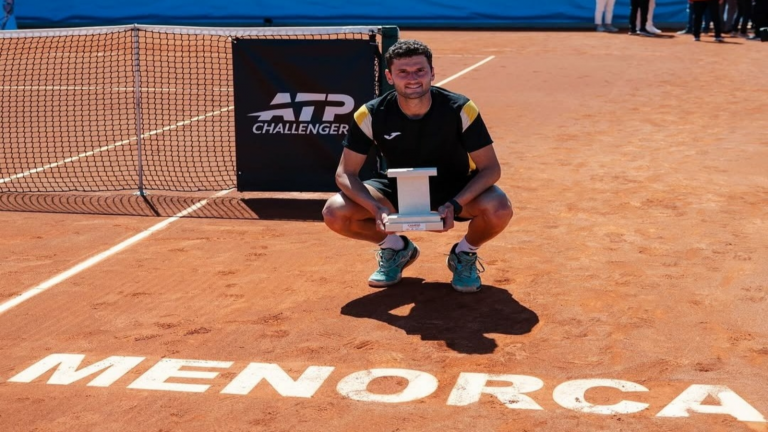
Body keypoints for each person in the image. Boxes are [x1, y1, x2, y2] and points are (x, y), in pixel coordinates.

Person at [322, 39, 513, 293]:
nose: (412, 78)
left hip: (455, 189)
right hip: (396, 188)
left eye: (420, 71)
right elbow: (345, 173)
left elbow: (491, 169)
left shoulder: (461, 109)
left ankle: (464, 254)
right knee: (335, 212)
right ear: (389, 76)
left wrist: (455, 203)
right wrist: (375, 207)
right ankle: (396, 248)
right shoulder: (370, 114)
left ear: (432, 73)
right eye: (403, 72)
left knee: (499, 208)